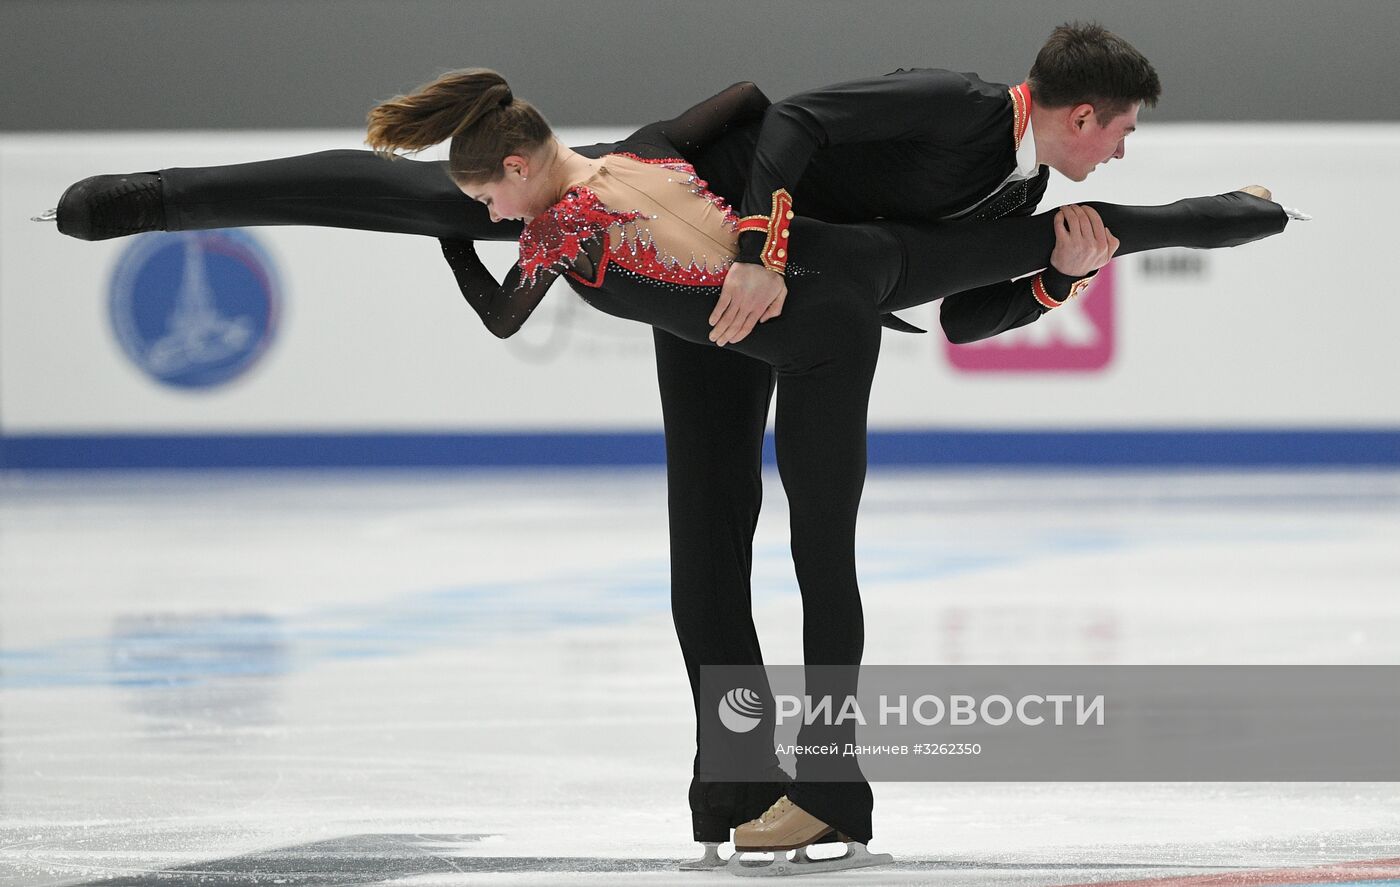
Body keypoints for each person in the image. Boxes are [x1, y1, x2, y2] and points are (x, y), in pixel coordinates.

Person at [40, 25, 1301, 875]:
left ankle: (824, 782)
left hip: (803, 293)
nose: (1117, 149)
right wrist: (748, 243)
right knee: (710, 547)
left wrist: (1058, 282)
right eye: (1119, 130)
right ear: (1083, 110)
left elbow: (964, 314)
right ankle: (740, 777)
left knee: (818, 540)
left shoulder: (1019, 195)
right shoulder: (964, 106)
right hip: (722, 270)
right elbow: (787, 114)